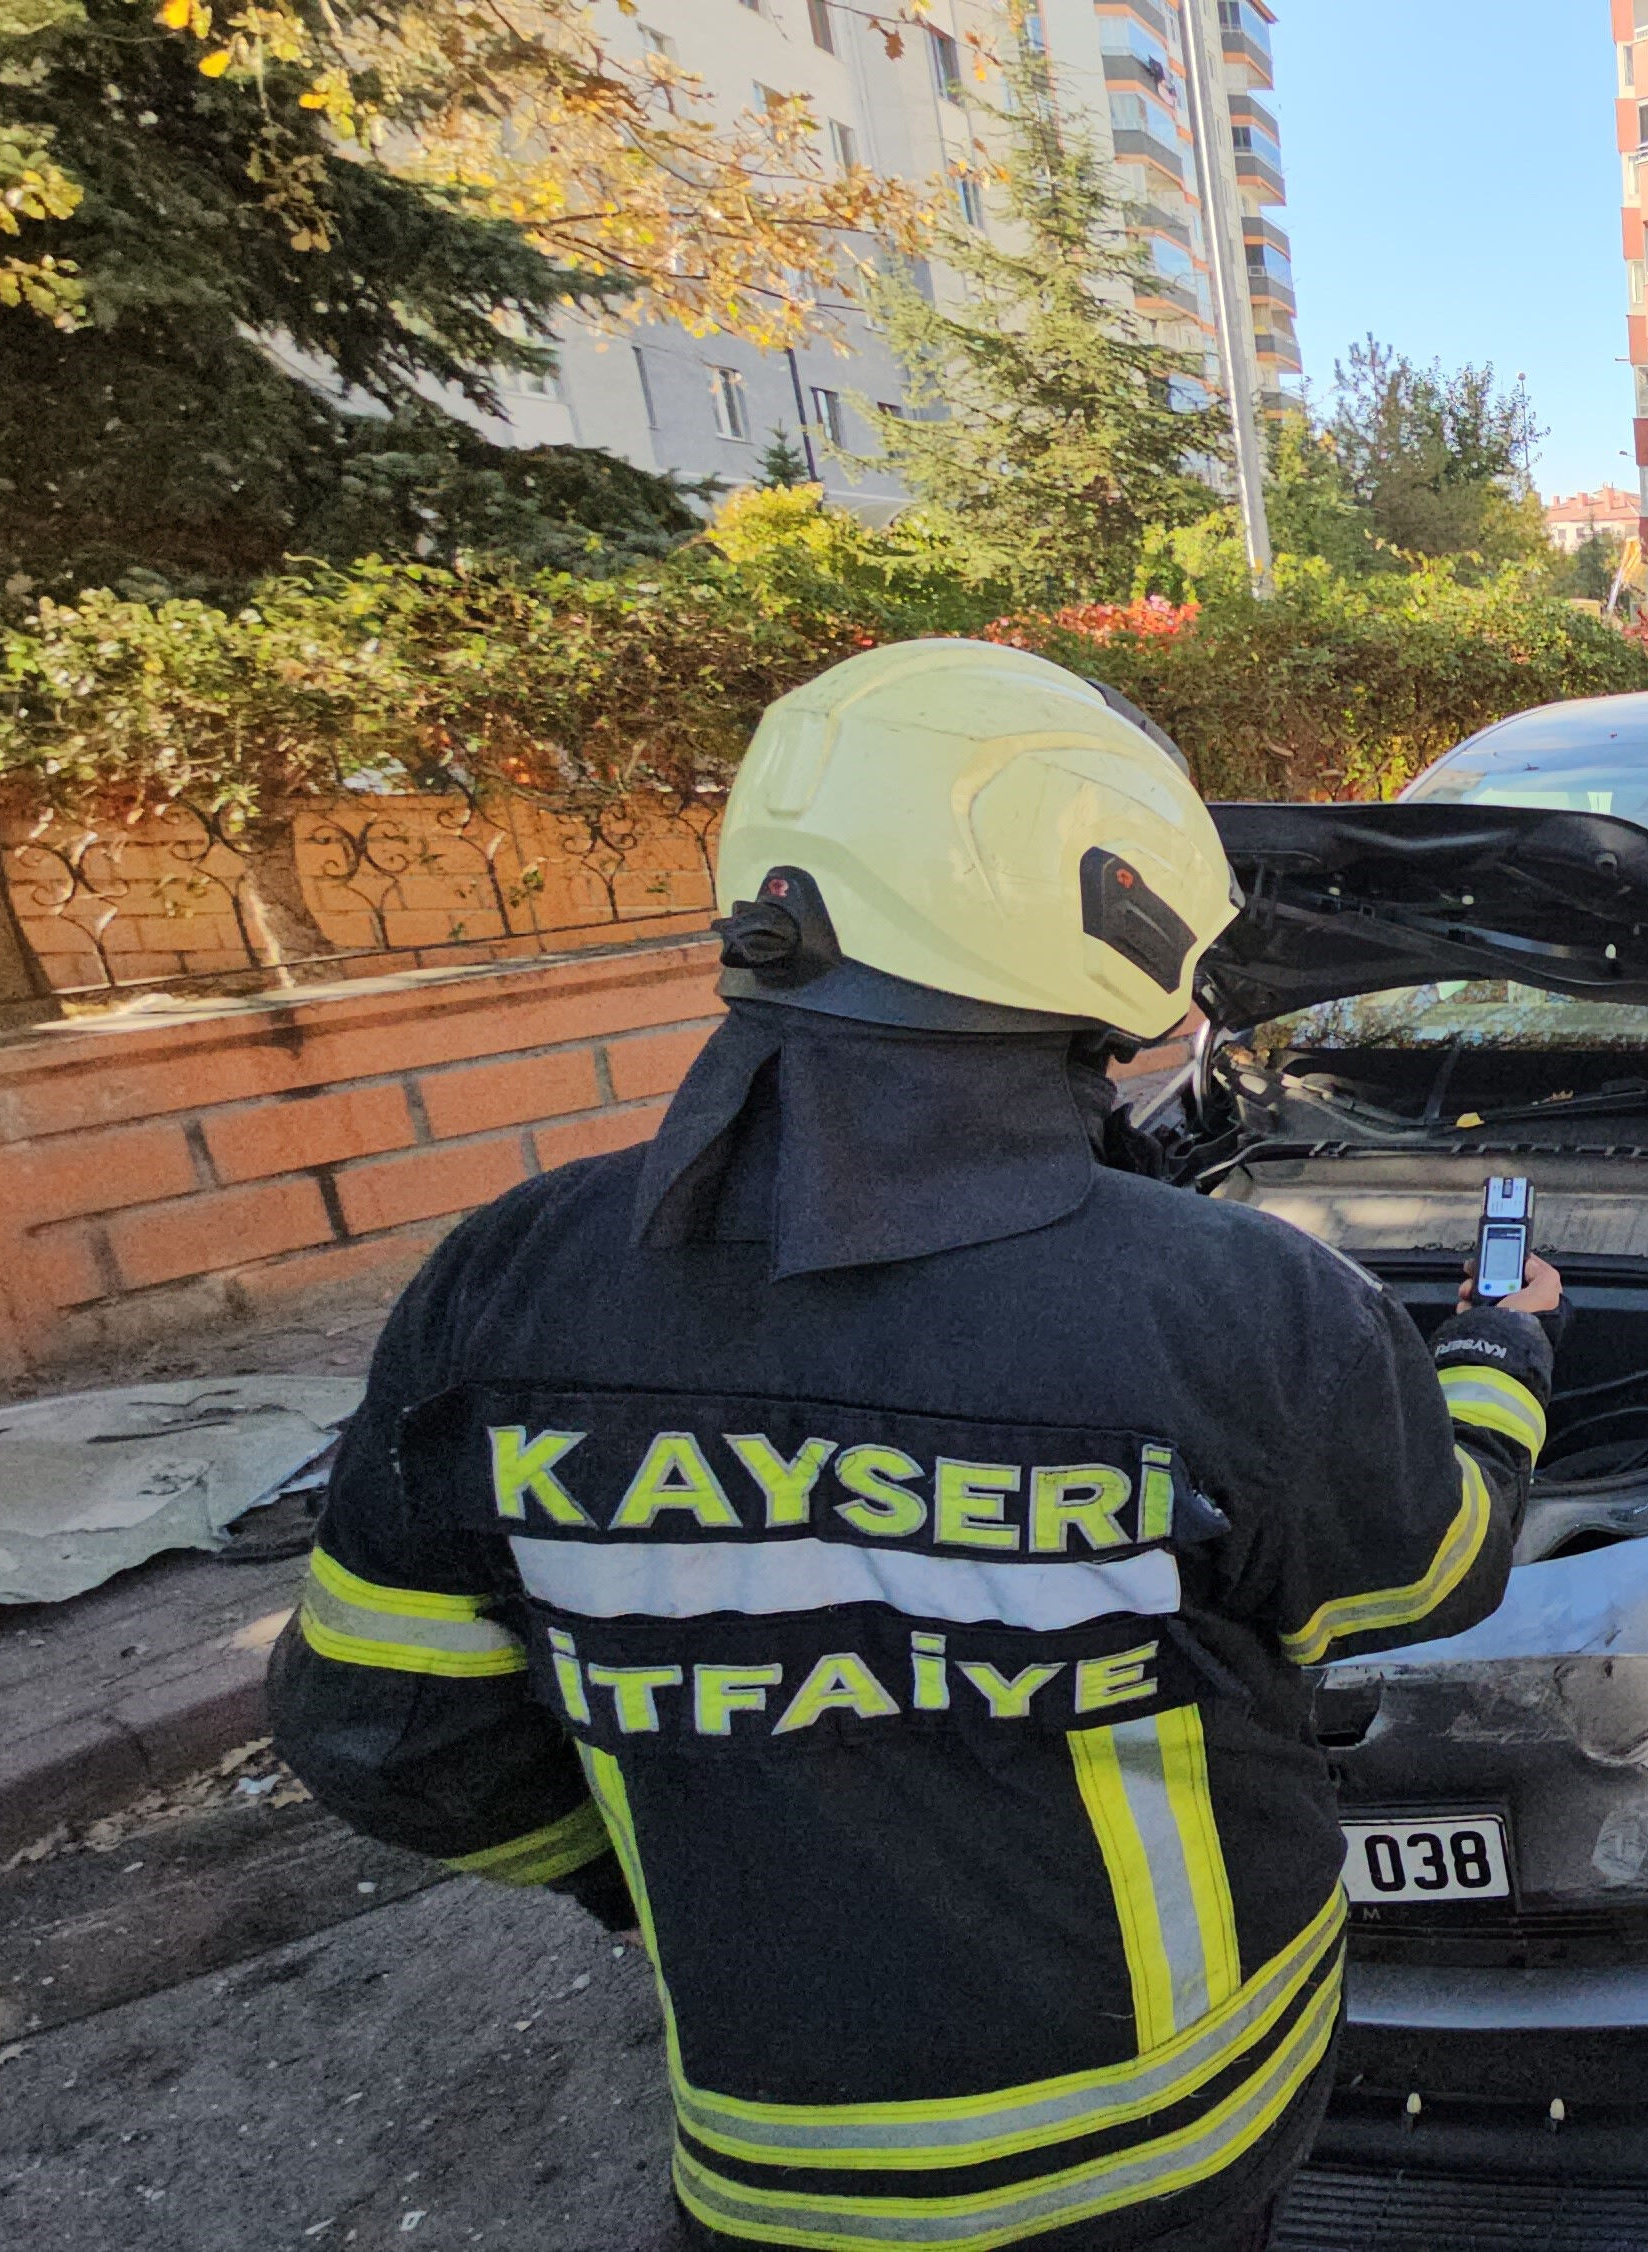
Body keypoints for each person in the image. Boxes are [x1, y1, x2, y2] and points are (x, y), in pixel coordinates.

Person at [269, 640, 1559, 2250]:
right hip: (1175, 2138)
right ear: (1103, 895)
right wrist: (1501, 1356)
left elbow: (381, 1735)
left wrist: (652, 1871)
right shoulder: (1230, 1304)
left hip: (775, 2169)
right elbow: (1427, 1576)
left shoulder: (504, 1284)